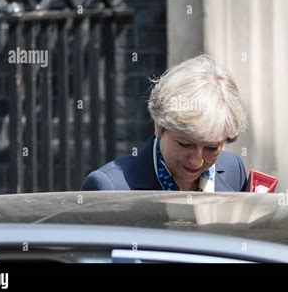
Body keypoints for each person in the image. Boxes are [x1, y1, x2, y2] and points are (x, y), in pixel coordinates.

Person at [81, 55, 248, 192]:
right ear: (159, 126)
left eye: (211, 148)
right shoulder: (110, 187)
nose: (196, 161)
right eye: (185, 144)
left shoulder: (234, 170)